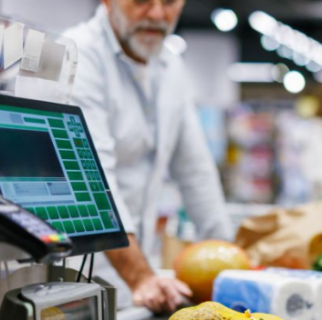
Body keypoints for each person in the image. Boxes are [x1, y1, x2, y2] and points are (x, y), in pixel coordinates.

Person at [64, 0, 234, 313]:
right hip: (74, 281)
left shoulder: (170, 66)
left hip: (138, 282)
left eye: (169, 2)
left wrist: (231, 268)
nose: (157, 14)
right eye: (141, 0)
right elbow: (91, 178)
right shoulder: (76, 55)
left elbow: (196, 174)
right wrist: (139, 276)